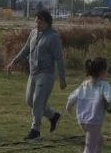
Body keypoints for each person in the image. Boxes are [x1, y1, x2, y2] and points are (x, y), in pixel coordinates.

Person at [5, 10, 67, 140]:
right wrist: (13, 62)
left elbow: (59, 58)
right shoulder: (33, 33)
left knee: (38, 101)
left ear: (47, 22)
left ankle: (35, 131)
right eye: (36, 21)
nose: (37, 24)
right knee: (30, 101)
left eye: (40, 22)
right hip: (33, 73)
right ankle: (53, 116)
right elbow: (26, 49)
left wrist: (62, 79)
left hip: (46, 74)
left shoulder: (53, 37)